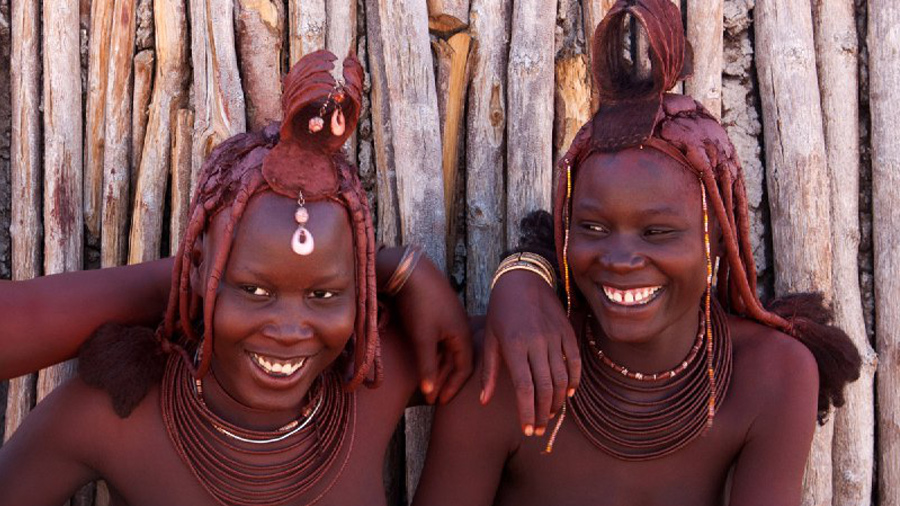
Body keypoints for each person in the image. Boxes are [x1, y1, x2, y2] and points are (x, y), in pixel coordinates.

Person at [413, 1, 861, 504]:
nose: (620, 258)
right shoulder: (507, 368)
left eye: (657, 232)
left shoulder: (773, 376)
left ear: (715, 239)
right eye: (593, 226)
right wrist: (516, 273)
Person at [0, 50, 467, 505]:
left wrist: (523, 275)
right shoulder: (114, 417)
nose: (289, 328)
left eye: (323, 293)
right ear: (201, 268)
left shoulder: (376, 379)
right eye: (255, 289)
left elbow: (519, 368)